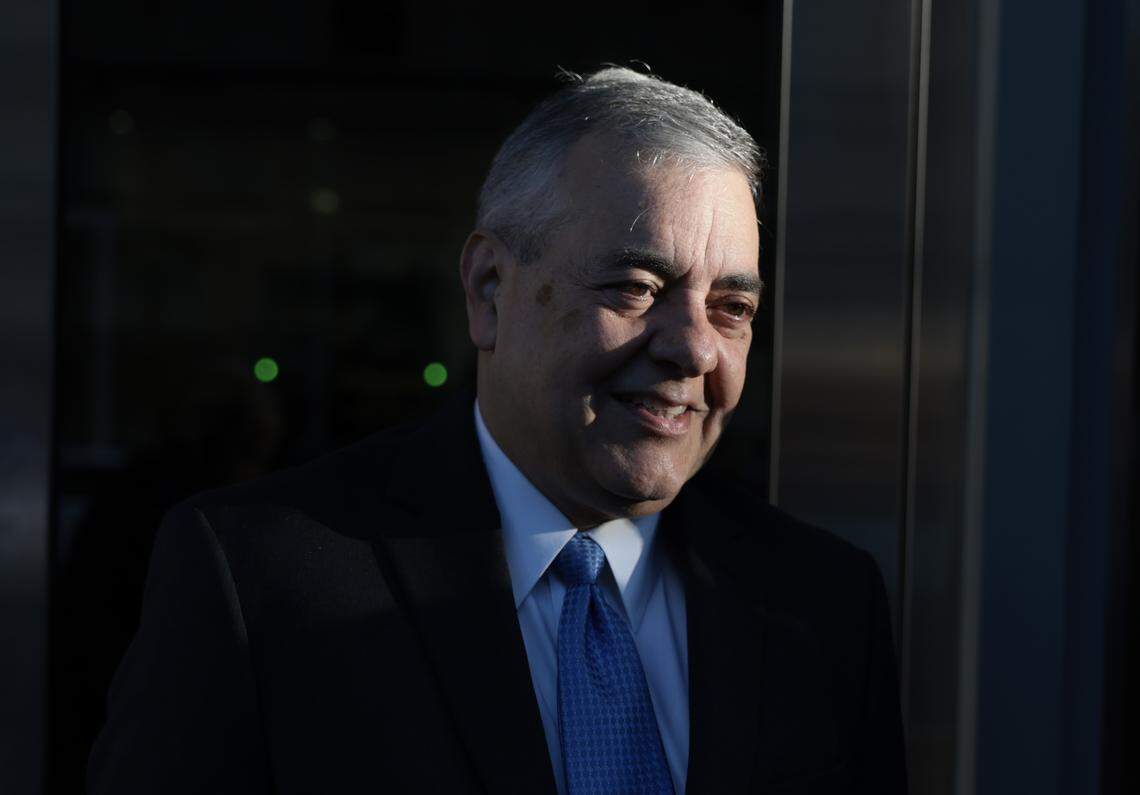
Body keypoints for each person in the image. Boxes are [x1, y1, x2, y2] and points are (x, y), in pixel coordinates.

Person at [88, 67, 907, 794]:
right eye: (636, 287)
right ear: (488, 289)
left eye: (731, 307)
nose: (694, 347)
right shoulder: (258, 577)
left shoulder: (823, 604)